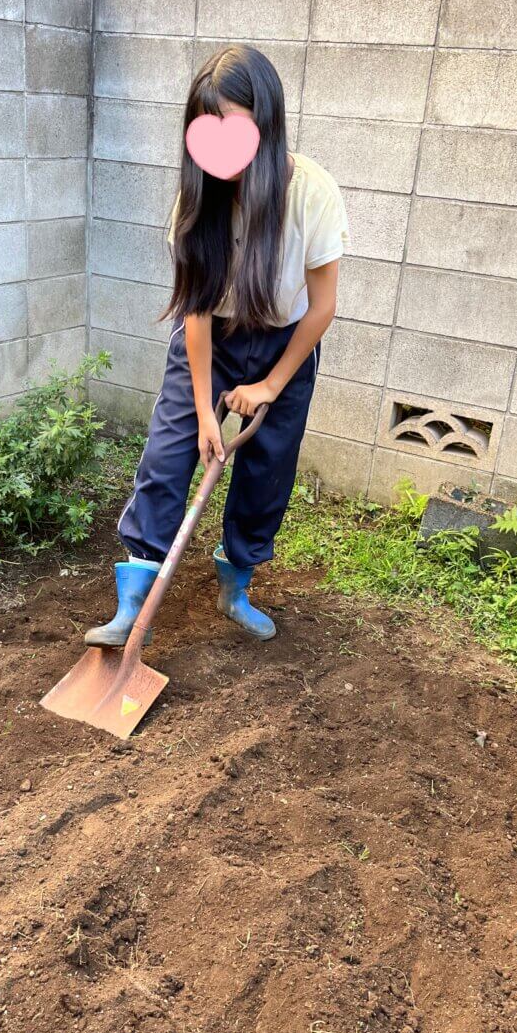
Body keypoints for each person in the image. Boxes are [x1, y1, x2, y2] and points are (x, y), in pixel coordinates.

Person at [85, 44, 351, 647]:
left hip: (287, 340)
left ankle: (235, 585)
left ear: (265, 120)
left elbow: (323, 306)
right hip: (212, 337)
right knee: (169, 452)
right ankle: (134, 599)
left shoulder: (311, 192)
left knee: (266, 470)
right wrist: (207, 410)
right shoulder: (198, 195)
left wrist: (270, 385)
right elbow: (197, 310)